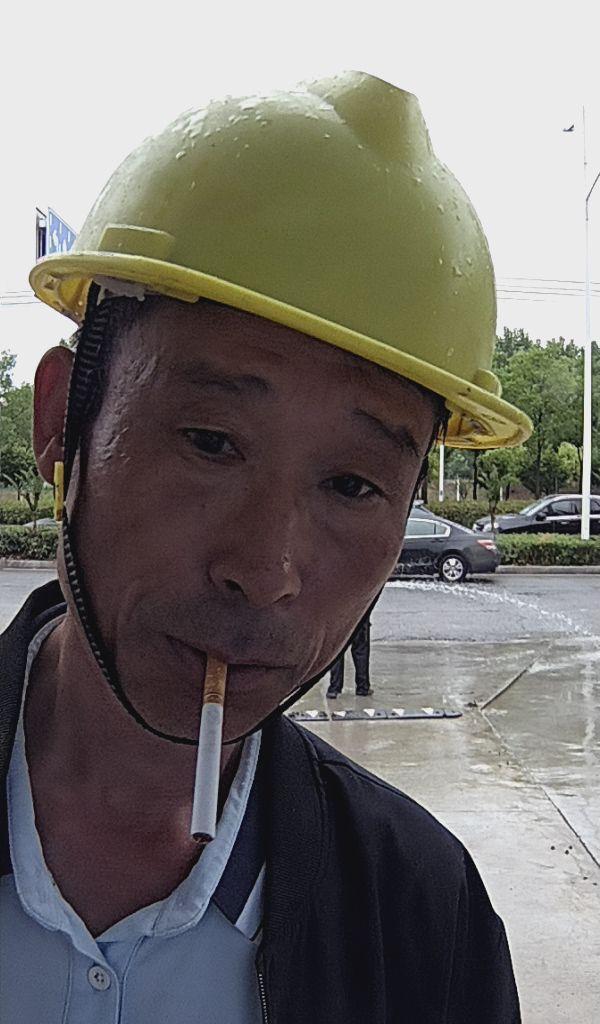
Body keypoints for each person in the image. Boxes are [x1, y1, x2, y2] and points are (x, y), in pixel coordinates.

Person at [0, 71, 531, 1022]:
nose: (264, 569)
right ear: (61, 420)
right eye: (211, 442)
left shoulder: (421, 919)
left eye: (353, 485)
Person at [326, 614, 373, 697]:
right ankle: (362, 687)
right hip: (359, 612)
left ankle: (334, 688)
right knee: (361, 649)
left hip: (338, 614)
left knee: (336, 650)